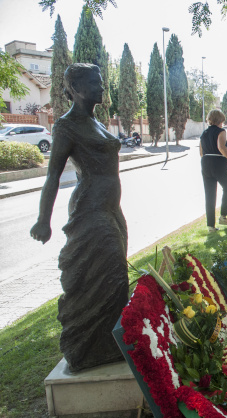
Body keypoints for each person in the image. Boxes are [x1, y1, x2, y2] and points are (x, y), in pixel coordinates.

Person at [30, 63, 128, 372]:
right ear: (76, 87)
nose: (102, 87)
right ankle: (87, 347)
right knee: (111, 276)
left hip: (112, 209)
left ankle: (107, 344)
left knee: (113, 281)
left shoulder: (94, 121)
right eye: (95, 82)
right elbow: (52, 177)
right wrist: (43, 219)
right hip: (90, 210)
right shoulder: (67, 125)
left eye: (101, 81)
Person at [199, 109, 227, 233]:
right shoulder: (221, 131)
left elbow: (201, 152)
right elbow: (221, 147)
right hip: (219, 163)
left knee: (209, 195)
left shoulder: (204, 133)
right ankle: (223, 216)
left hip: (206, 163)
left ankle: (210, 226)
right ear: (220, 120)